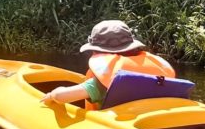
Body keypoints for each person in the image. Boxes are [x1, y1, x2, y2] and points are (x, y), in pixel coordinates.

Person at [42, 20, 177, 110]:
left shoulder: (100, 84)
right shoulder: (156, 78)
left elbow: (62, 97)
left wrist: (54, 93)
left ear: (97, 51)